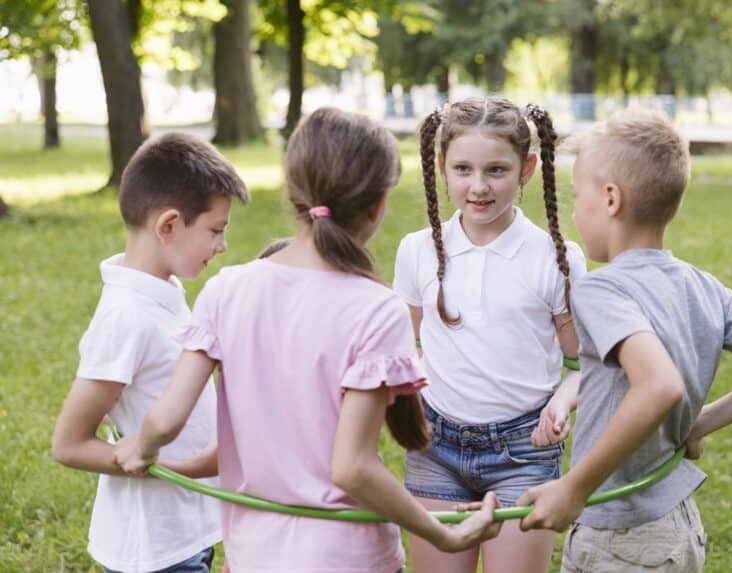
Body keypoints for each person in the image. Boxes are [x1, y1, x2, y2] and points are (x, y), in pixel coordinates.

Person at [115, 108, 502, 573]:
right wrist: (440, 532)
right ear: (377, 206)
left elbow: (167, 418)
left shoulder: (225, 290)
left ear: (293, 191)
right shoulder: (378, 310)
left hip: (253, 558)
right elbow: (352, 468)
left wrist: (144, 448)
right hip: (350, 560)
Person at [517, 109, 732, 572]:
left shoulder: (601, 289)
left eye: (577, 197)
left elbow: (659, 386)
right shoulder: (700, 284)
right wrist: (699, 423)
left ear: (610, 199)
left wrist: (573, 488)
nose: (573, 211)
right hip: (676, 524)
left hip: (621, 536)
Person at [393, 96, 587, 573]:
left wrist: (561, 401)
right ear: (441, 166)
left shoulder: (554, 258)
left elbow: (590, 361)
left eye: (496, 170)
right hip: (435, 445)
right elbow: (399, 349)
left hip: (524, 450)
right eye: (462, 168)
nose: (477, 187)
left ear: (527, 168)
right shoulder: (417, 251)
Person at [52, 132, 250, 573]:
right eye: (216, 231)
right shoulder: (127, 316)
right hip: (154, 547)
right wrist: (149, 459)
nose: (222, 246)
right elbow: (69, 442)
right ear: (169, 226)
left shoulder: (164, 291)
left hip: (189, 525)